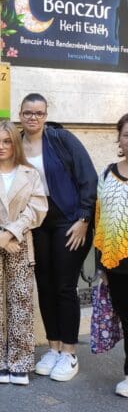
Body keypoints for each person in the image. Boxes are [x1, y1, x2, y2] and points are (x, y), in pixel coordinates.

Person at [18, 93, 97, 381]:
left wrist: (84, 219)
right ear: (20, 114)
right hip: (37, 222)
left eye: (39, 113)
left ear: (46, 115)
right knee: (45, 284)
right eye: (28, 112)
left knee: (64, 286)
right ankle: (53, 348)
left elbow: (88, 178)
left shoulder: (61, 139)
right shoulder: (16, 143)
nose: (33, 117)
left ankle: (69, 352)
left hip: (69, 220)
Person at [0, 121, 48, 385]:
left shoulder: (30, 174)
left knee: (21, 302)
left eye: (6, 141)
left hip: (20, 242)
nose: (1, 146)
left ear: (15, 143)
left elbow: (37, 208)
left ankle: (20, 362)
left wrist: (11, 233)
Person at [93, 112, 128, 398]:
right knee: (127, 320)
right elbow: (100, 220)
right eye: (127, 135)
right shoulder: (107, 174)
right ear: (119, 139)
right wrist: (101, 265)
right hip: (117, 262)